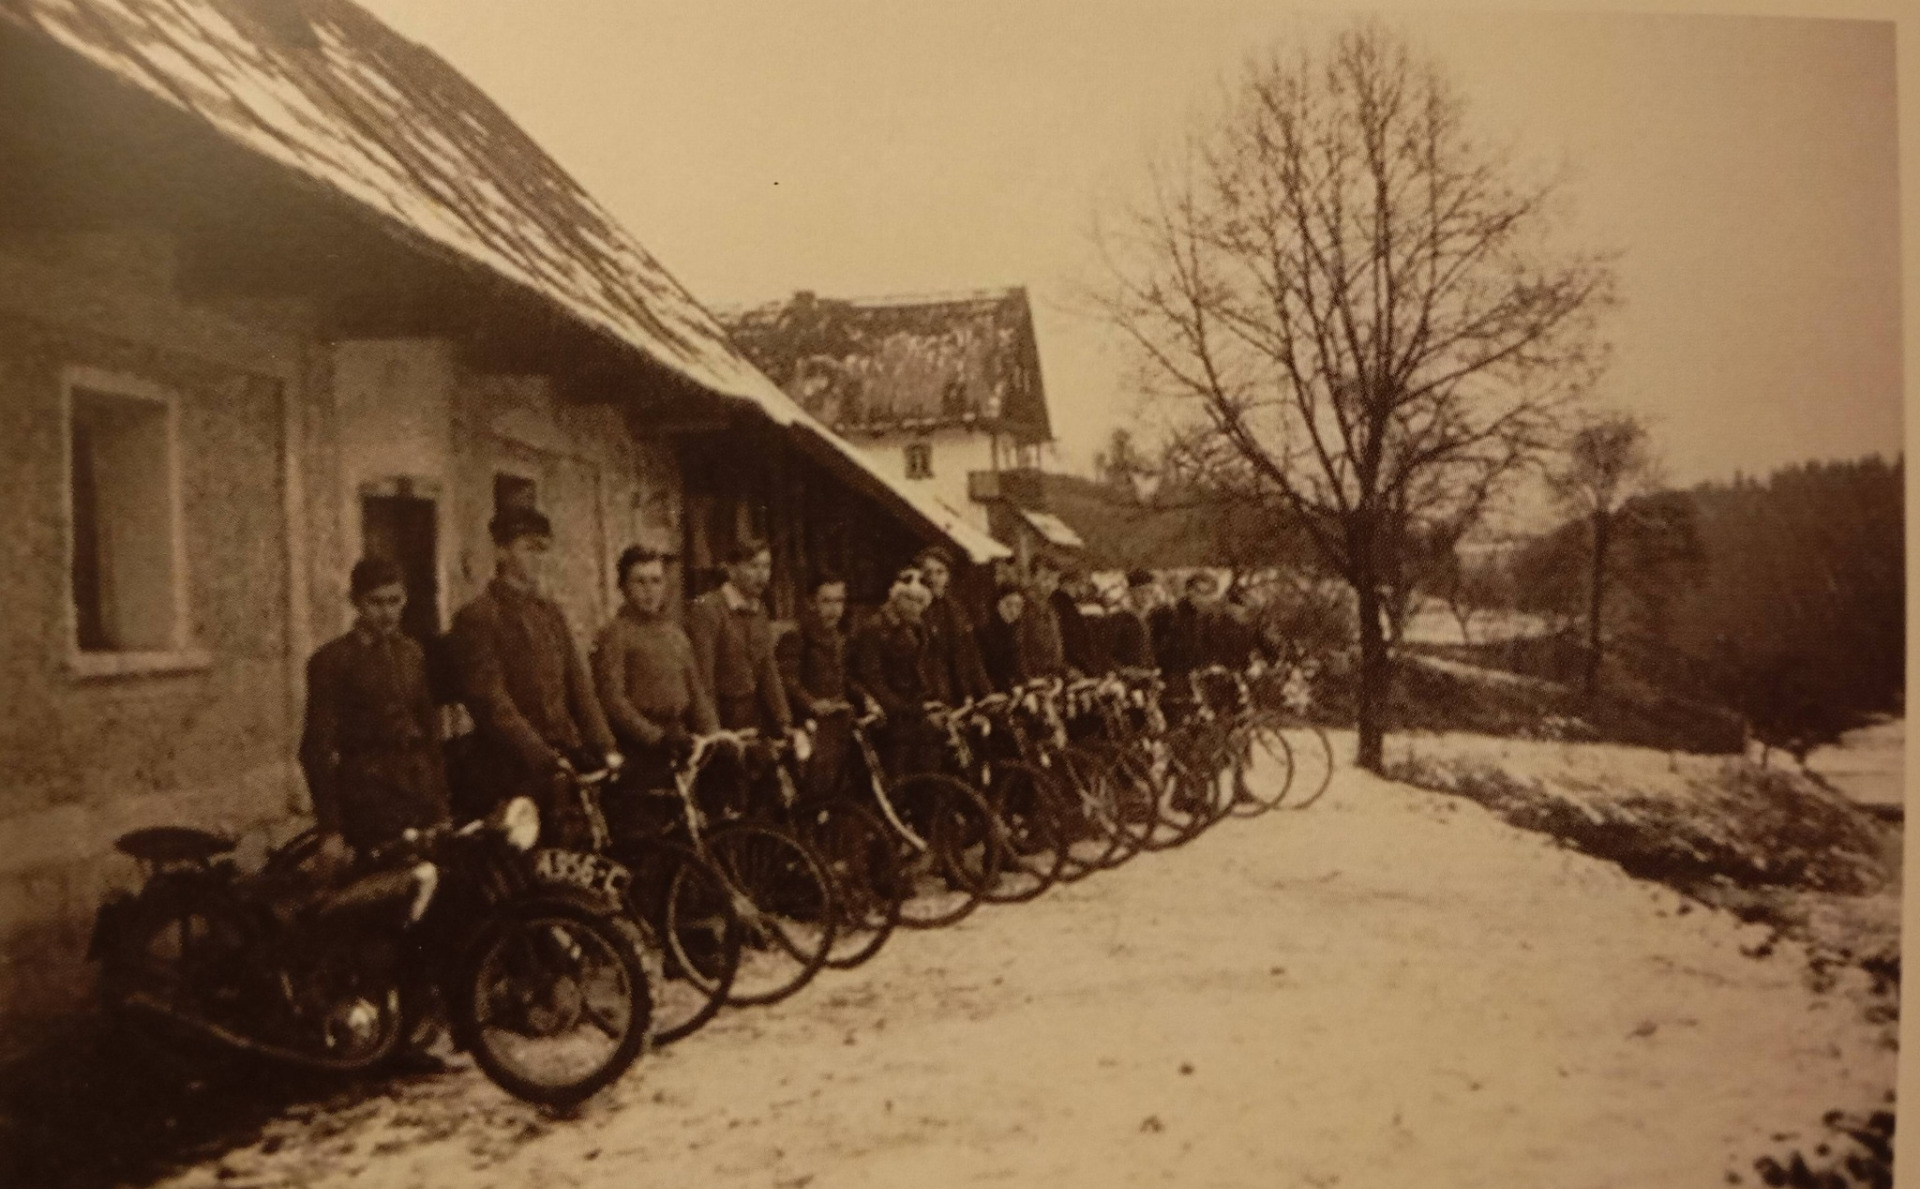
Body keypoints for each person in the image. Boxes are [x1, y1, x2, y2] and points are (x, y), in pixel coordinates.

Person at [448, 506, 620, 831]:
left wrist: (604, 745)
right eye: (529, 548)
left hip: (561, 758)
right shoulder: (479, 617)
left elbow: (579, 686)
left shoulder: (550, 613)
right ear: (501, 551)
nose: (539, 558)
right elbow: (492, 703)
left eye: (544, 549)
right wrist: (542, 755)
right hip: (509, 766)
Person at [299, 557, 451, 870]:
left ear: (405, 599)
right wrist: (331, 828)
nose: (387, 612)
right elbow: (316, 749)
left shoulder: (412, 653)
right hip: (368, 801)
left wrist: (440, 807)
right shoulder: (332, 661)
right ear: (355, 602)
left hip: (417, 793)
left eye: (395, 601)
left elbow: (431, 733)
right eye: (375, 603)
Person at [591, 545, 718, 791]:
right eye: (640, 582)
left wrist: (713, 736)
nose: (650, 591)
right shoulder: (615, 634)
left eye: (656, 581)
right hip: (641, 750)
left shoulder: (675, 635)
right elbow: (612, 699)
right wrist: (655, 737)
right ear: (624, 587)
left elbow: (697, 694)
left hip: (680, 742)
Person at [687, 539, 794, 737]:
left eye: (766, 566)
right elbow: (704, 679)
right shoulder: (708, 609)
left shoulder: (759, 610)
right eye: (753, 566)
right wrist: (713, 731)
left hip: (753, 716)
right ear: (731, 570)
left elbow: (768, 670)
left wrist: (784, 721)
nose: (762, 574)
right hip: (720, 718)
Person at [849, 567, 938, 778]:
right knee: (897, 770)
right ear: (896, 598)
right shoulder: (876, 628)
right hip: (888, 712)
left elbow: (919, 669)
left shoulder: (915, 629)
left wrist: (926, 699)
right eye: (909, 599)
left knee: (930, 755)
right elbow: (871, 676)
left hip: (908, 708)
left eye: (919, 601)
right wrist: (901, 708)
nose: (914, 607)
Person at [914, 545, 991, 707]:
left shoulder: (955, 610)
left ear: (948, 575)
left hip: (959, 692)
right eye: (928, 572)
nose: (934, 578)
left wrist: (985, 692)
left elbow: (970, 653)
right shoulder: (917, 611)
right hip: (932, 695)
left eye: (940, 572)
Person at [1018, 554, 1070, 680]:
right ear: (1032, 577)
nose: (1050, 585)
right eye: (1045, 578)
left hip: (1053, 676)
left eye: (1054, 580)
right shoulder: (1022, 607)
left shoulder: (1051, 609)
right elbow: (1019, 650)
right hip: (1033, 678)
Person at [975, 582, 1028, 694]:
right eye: (1008, 605)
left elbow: (1020, 670)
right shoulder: (984, 633)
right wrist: (1010, 688)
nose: (1013, 611)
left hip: (1015, 691)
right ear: (998, 604)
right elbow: (984, 672)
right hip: (993, 692)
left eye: (1018, 606)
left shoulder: (1017, 632)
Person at [1108, 569, 1158, 671]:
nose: (1145, 596)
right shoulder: (1118, 618)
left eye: (1150, 592)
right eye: (1141, 591)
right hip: (1124, 679)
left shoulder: (1150, 618)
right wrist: (1123, 670)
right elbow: (1105, 654)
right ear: (1130, 592)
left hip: (1145, 678)